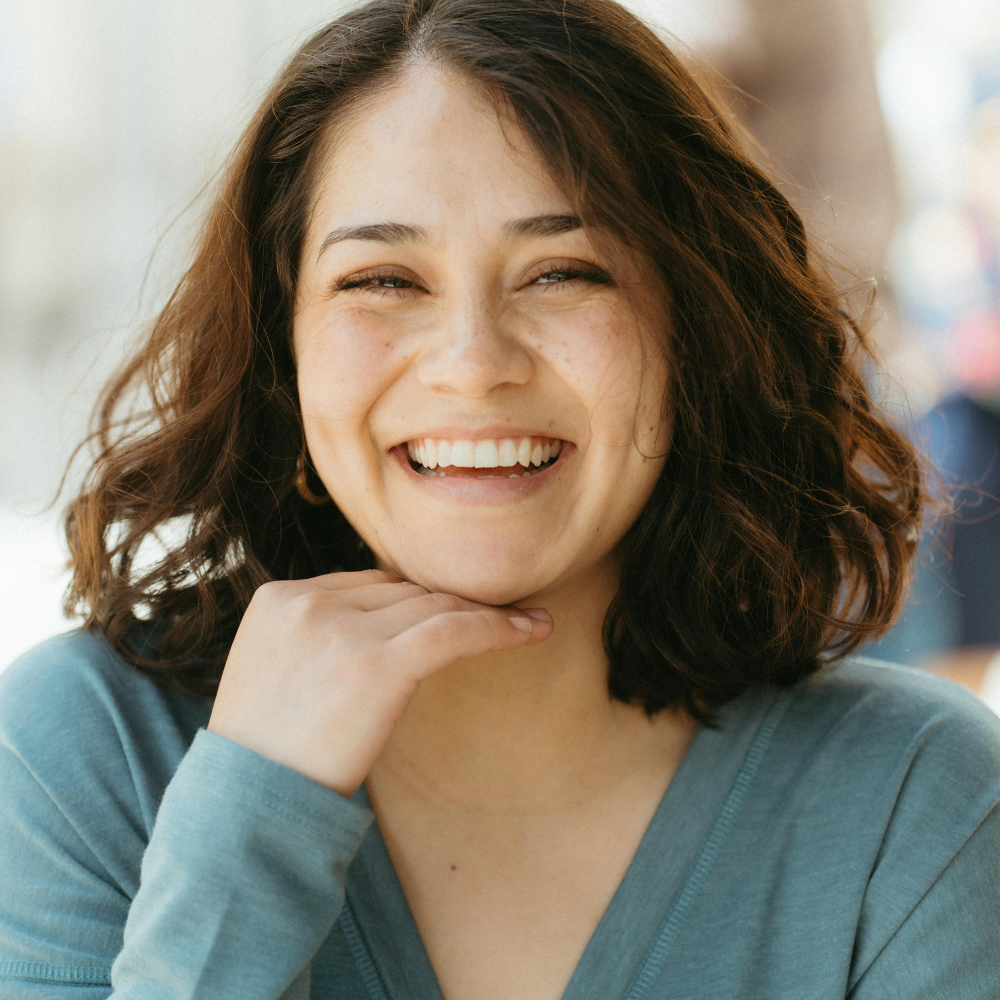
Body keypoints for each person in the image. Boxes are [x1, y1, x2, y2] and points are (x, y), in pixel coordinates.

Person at [1, 1, 998, 997]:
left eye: (563, 272)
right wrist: (252, 817)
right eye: (383, 278)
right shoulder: (86, 750)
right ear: (282, 354)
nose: (473, 364)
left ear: (694, 333)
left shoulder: (915, 800)